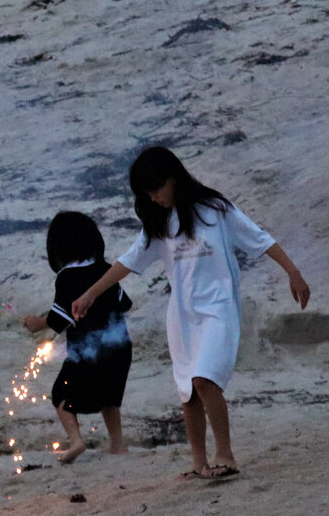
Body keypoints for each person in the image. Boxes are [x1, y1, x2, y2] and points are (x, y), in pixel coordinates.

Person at [71, 147, 311, 479]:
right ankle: (198, 463)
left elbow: (259, 238)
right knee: (188, 392)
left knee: (205, 379)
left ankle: (225, 456)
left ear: (173, 178)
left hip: (219, 308)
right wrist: (89, 294)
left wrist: (293, 272)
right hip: (182, 315)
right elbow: (126, 262)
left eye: (156, 189)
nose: (154, 199)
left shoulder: (216, 209)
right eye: (148, 194)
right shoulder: (158, 224)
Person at [23, 211, 133, 464]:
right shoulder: (107, 270)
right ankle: (117, 444)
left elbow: (59, 320)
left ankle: (76, 441)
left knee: (61, 396)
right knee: (110, 397)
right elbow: (124, 304)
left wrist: (36, 323)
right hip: (120, 349)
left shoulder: (66, 277)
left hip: (87, 352)